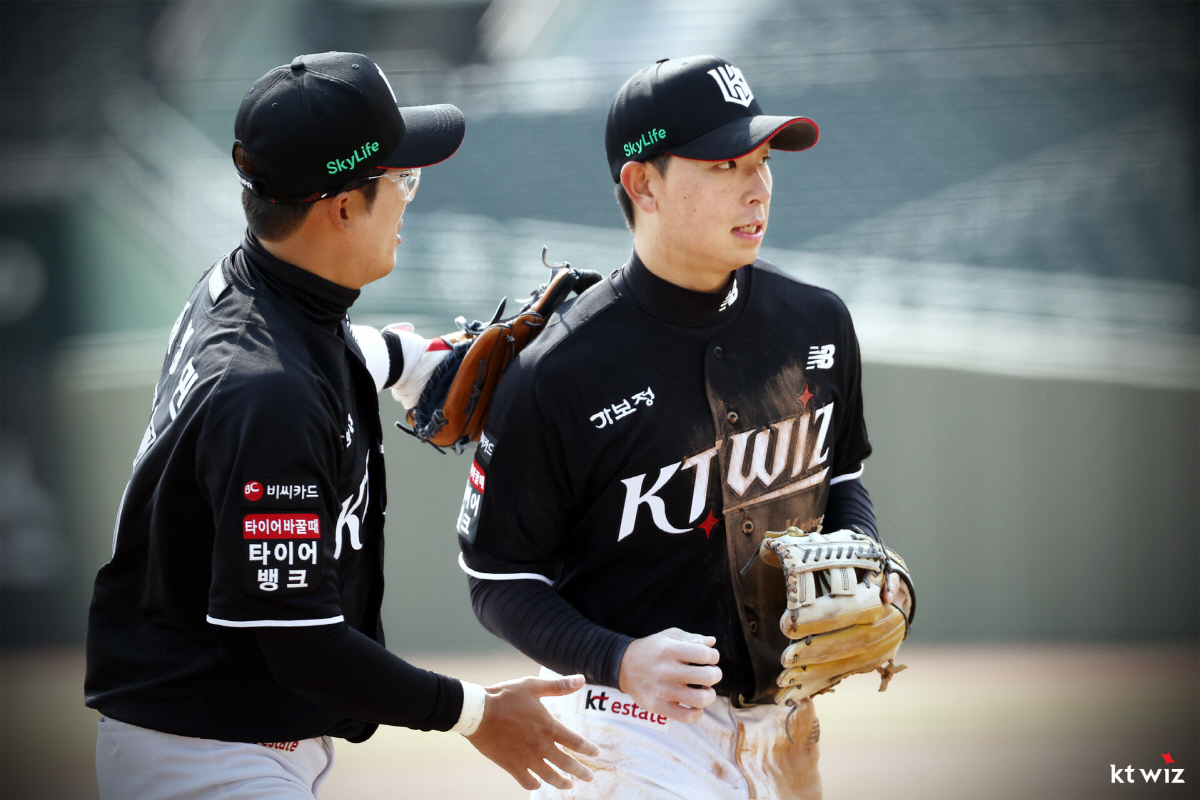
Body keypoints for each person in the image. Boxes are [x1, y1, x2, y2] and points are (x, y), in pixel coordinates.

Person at [84, 51, 597, 799]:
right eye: (402, 180)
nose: (410, 199)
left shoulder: (246, 284)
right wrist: (477, 715)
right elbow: (301, 645)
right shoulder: (269, 398)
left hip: (214, 738)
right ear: (343, 206)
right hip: (207, 762)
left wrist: (411, 357)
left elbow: (327, 347)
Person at [456, 55, 912, 798]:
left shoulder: (817, 321)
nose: (757, 185)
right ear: (643, 184)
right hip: (627, 725)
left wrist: (865, 557)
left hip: (786, 730)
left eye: (762, 161)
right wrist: (616, 657)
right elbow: (499, 578)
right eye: (725, 163)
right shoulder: (561, 371)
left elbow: (844, 479)